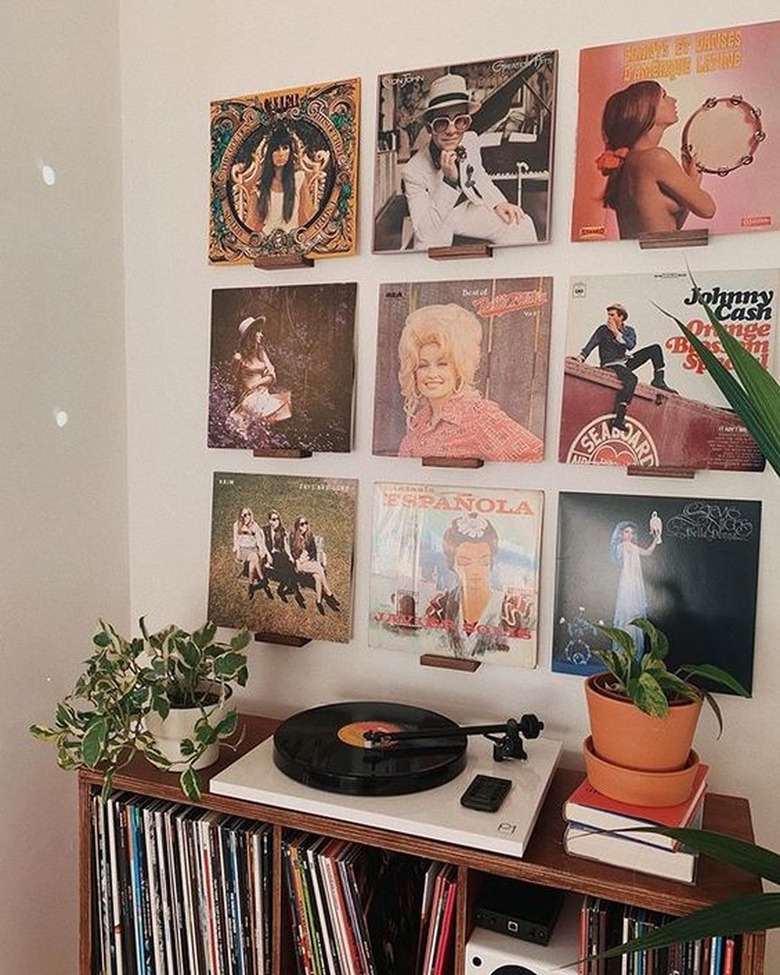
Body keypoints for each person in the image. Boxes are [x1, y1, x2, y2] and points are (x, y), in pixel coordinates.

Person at [402, 73, 537, 249]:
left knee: (521, 224)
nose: (452, 131)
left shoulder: (470, 140)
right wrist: (449, 182)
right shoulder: (412, 171)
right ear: (429, 128)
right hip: (437, 218)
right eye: (442, 123)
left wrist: (498, 202)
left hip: (467, 207)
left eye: (460, 121)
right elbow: (424, 232)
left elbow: (479, 175)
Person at [397, 303, 543, 461]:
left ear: (459, 368)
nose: (432, 374)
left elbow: (535, 457)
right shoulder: (421, 419)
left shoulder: (479, 415)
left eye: (442, 364)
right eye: (423, 365)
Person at [596, 80, 716, 238]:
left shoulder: (628, 162)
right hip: (661, 259)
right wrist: (692, 181)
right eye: (664, 96)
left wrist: (690, 181)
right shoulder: (656, 158)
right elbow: (708, 209)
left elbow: (668, 227)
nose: (674, 100)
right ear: (645, 110)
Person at [424, 513, 521, 659]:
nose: (475, 572)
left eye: (483, 562)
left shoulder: (510, 609)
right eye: (465, 562)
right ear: (453, 564)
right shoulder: (440, 607)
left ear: (491, 562)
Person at [576, 303, 677, 432]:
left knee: (655, 349)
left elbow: (630, 345)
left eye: (612, 315)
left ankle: (659, 380)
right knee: (632, 379)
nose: (609, 318)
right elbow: (590, 344)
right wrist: (580, 358)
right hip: (611, 364)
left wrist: (616, 332)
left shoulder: (629, 331)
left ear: (621, 317)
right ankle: (619, 417)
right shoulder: (602, 330)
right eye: (608, 315)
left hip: (624, 361)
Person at [227, 316, 292, 439]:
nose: (261, 334)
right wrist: (240, 396)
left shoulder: (261, 352)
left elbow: (273, 376)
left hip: (263, 393)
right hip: (249, 397)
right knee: (258, 425)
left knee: (264, 432)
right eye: (257, 331)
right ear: (250, 335)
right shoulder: (239, 357)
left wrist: (258, 383)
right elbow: (232, 381)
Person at [250, 123, 315, 234]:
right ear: (269, 153)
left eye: (285, 148)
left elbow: (308, 216)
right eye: (276, 149)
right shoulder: (258, 186)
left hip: (293, 241)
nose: (281, 154)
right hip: (267, 242)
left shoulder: (299, 178)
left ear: (290, 151)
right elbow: (252, 224)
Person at [610, 519, 660, 653]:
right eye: (627, 532)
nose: (630, 535)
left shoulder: (624, 547)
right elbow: (647, 552)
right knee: (631, 613)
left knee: (629, 614)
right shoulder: (626, 545)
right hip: (630, 583)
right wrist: (656, 538)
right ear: (621, 534)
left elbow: (647, 553)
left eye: (632, 533)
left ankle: (627, 652)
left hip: (629, 582)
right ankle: (630, 651)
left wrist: (656, 539)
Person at [289, 515, 340, 616]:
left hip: (309, 562)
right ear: (297, 526)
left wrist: (309, 558)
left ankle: (319, 601)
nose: (305, 526)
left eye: (306, 523)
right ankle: (329, 594)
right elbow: (292, 553)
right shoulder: (294, 537)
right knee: (319, 569)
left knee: (318, 577)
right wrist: (298, 561)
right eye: (302, 524)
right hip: (299, 564)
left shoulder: (309, 536)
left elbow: (313, 551)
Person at [262, 509, 305, 608]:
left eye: (277, 519)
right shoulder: (264, 530)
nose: (275, 521)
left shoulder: (282, 531)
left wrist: (290, 556)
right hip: (271, 556)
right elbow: (262, 544)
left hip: (280, 555)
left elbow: (286, 545)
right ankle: (294, 592)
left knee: (290, 566)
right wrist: (268, 555)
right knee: (289, 569)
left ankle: (283, 590)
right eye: (273, 519)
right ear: (269, 520)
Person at [232, 507, 272, 600]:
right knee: (254, 559)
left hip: (253, 549)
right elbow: (236, 539)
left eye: (249, 514)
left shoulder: (254, 525)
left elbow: (259, 540)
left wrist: (262, 549)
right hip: (243, 550)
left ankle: (251, 585)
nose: (247, 517)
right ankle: (264, 582)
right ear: (241, 515)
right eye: (245, 514)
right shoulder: (237, 525)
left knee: (253, 562)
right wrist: (237, 549)